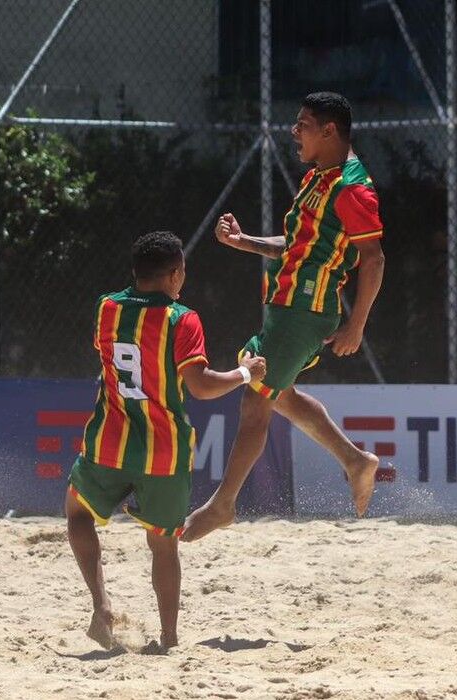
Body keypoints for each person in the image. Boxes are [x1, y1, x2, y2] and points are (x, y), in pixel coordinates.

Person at [183, 91, 386, 542]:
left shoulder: (352, 187)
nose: (293, 131)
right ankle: (356, 461)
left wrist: (357, 325)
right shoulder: (321, 176)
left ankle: (224, 504)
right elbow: (299, 245)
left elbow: (373, 259)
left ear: (329, 131)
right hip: (288, 308)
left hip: (305, 311)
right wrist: (246, 242)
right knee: (280, 396)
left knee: (256, 400)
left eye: (303, 123)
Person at [65, 231, 267, 651]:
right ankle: (169, 638)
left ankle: (102, 607)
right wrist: (246, 372)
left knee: (77, 513)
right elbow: (203, 387)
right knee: (162, 544)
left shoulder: (106, 308)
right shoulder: (182, 318)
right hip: (163, 451)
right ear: (174, 274)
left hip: (110, 439)